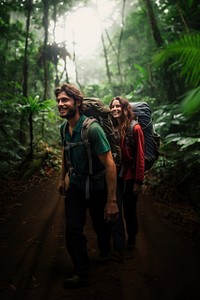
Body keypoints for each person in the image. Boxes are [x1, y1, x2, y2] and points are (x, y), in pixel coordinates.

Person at [55, 83, 118, 288]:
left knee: (101, 226)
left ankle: (105, 251)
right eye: (58, 101)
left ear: (77, 103)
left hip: (98, 185)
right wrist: (61, 177)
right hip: (76, 185)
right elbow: (66, 152)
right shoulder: (64, 128)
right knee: (73, 230)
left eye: (65, 100)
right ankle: (81, 271)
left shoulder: (93, 129)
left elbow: (109, 164)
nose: (60, 104)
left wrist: (112, 201)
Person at [109, 96, 145, 250]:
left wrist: (138, 181)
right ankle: (119, 244)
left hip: (130, 178)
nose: (115, 109)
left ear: (125, 109)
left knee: (130, 211)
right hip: (115, 177)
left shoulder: (135, 128)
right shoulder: (111, 129)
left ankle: (131, 237)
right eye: (112, 107)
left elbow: (140, 157)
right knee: (115, 208)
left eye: (118, 106)